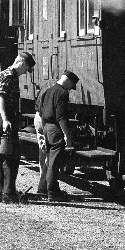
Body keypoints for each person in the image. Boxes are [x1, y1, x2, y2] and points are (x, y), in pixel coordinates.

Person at [0, 51, 35, 203]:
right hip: (5, 116)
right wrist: (5, 119)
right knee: (11, 156)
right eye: (26, 69)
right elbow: (1, 97)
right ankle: (8, 194)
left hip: (3, 116)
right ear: (21, 63)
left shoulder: (5, 73)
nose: (25, 73)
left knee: (2, 154)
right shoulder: (10, 75)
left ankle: (1, 191)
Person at [36, 70, 79, 201]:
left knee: (49, 161)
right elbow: (61, 117)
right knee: (54, 163)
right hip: (55, 129)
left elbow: (42, 111)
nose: (70, 89)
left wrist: (44, 130)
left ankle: (50, 189)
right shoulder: (62, 93)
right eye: (71, 86)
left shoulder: (49, 90)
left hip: (47, 128)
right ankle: (52, 193)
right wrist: (66, 135)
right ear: (69, 81)